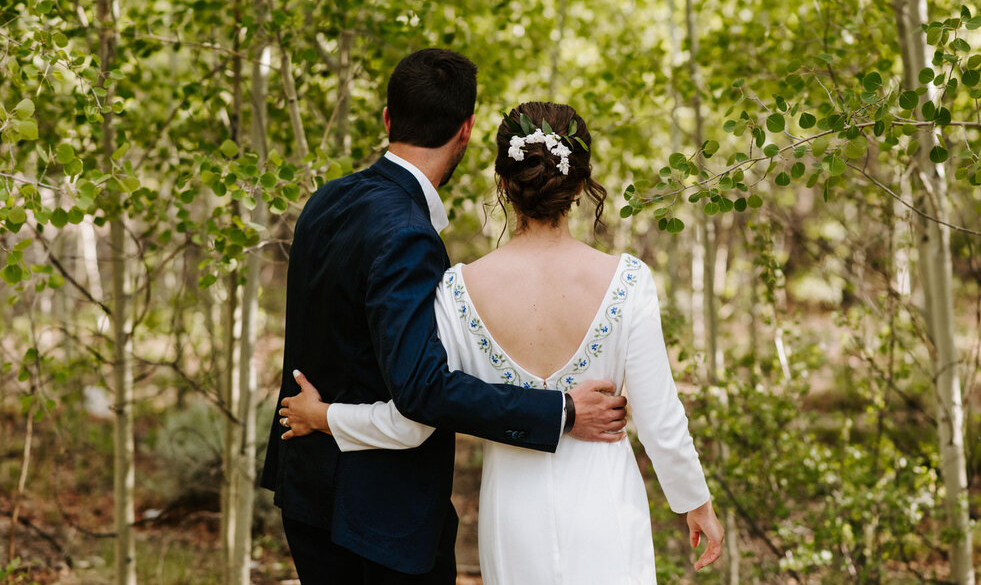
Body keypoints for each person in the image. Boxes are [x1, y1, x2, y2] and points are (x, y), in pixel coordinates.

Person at [280, 101, 726, 584]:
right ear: (580, 184)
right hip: (605, 505)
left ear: (505, 183)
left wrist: (327, 417)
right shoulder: (628, 281)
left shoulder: (458, 289)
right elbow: (661, 422)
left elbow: (415, 419)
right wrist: (695, 502)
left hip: (512, 513)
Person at [260, 49, 629, 585]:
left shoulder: (327, 200)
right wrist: (562, 411)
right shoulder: (407, 234)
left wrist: (322, 417)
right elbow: (423, 392)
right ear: (466, 130)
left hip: (307, 498)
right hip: (382, 523)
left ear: (388, 119)